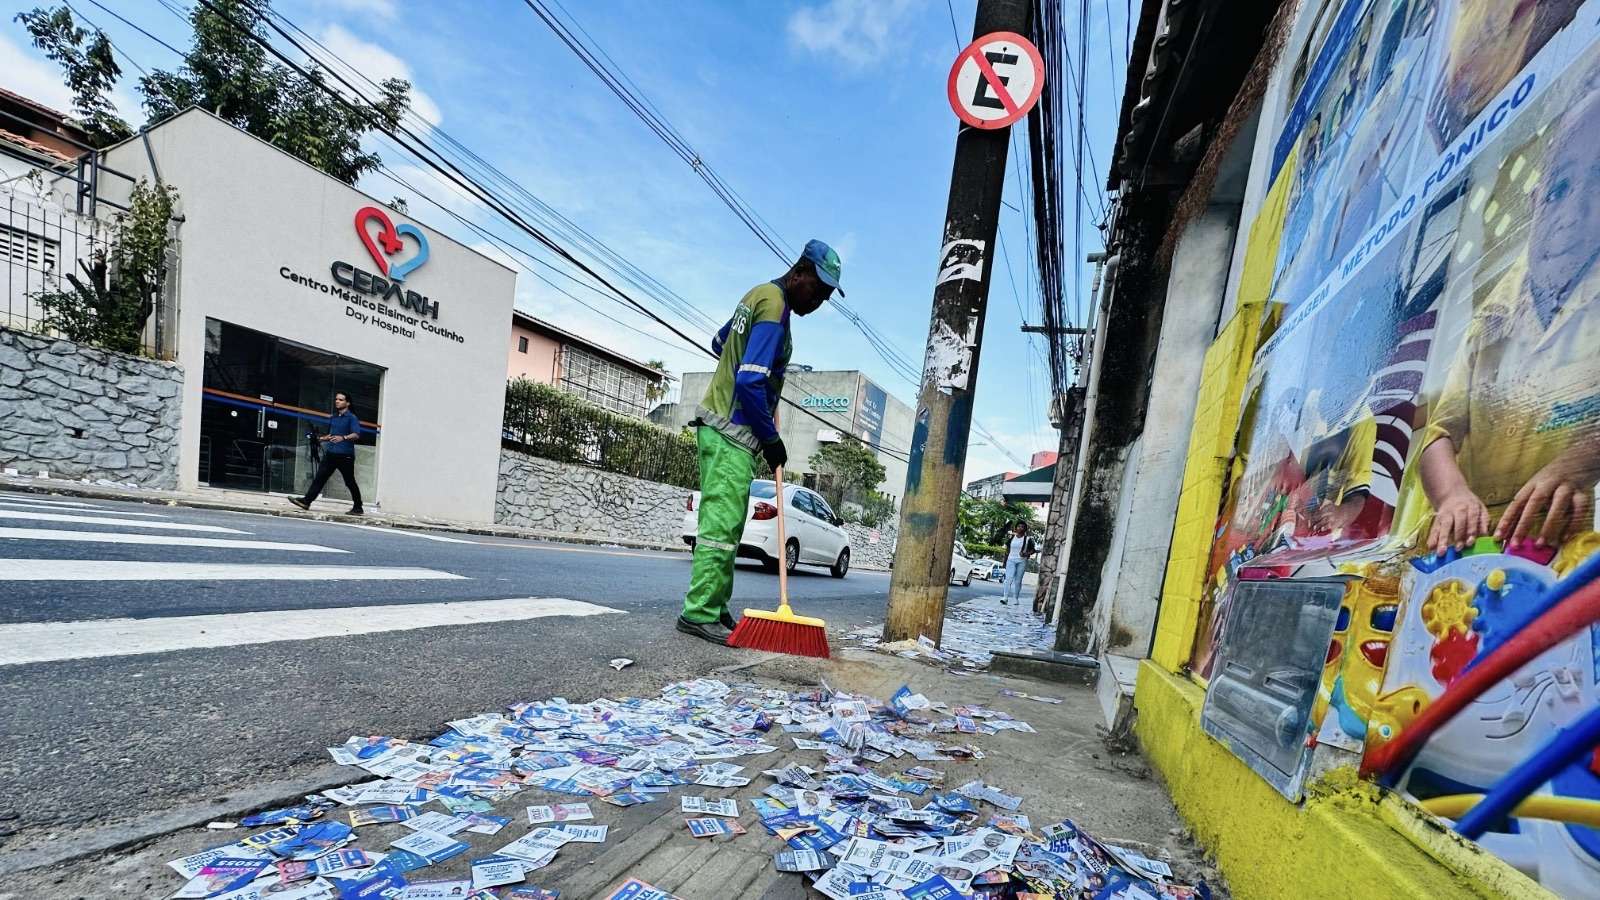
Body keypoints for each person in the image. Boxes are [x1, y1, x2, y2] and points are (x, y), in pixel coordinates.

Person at [1417, 92, 1600, 555]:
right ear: (1536, 201)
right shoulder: (1492, 317)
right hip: (1468, 546)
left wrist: (1581, 462)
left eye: (1599, 184)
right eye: (1558, 190)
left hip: (1561, 547)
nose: (1573, 214)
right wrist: (1453, 495)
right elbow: (1440, 435)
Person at [676, 240, 842, 646]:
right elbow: (749, 379)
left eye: (825, 297)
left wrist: (762, 377)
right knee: (720, 527)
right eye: (817, 291)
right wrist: (771, 438)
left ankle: (714, 607)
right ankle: (698, 613)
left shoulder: (755, 295)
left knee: (730, 523)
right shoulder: (775, 308)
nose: (818, 302)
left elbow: (721, 344)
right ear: (799, 272)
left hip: (720, 427)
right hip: (730, 429)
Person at [289, 391, 365, 515]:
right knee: (320, 477)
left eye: (341, 400)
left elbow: (356, 434)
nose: (337, 401)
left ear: (348, 403)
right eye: (336, 399)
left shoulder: (352, 418)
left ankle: (358, 507)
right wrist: (322, 438)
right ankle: (306, 501)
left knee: (349, 481)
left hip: (345, 455)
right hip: (331, 453)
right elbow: (332, 434)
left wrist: (343, 438)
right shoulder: (334, 417)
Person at [1002, 522, 1035, 604]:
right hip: (1011, 560)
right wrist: (1005, 561)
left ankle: (1015, 598)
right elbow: (1007, 549)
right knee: (1008, 579)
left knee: (1018, 580)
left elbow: (1032, 550)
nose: (1020, 528)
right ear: (1016, 528)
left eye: (1022, 527)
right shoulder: (1012, 537)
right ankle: (1005, 597)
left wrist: (1026, 554)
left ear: (1025, 529)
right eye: (1019, 526)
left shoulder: (1028, 539)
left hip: (1022, 561)